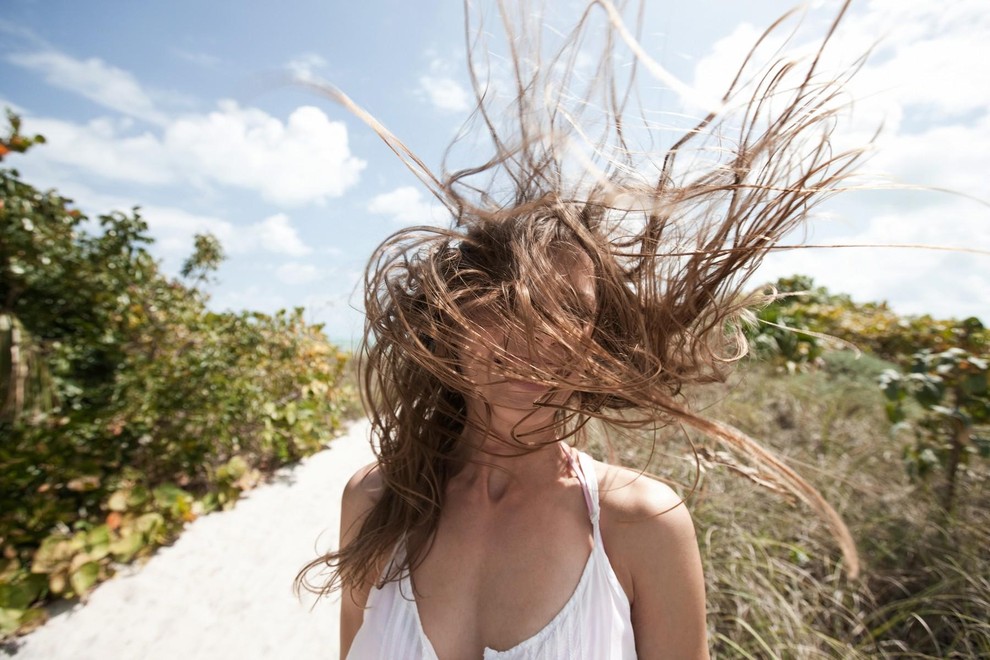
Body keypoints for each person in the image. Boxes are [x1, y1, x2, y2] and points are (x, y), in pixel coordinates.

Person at [296, 1, 862, 658]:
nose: (531, 341)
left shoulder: (641, 525)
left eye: (567, 311)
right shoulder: (375, 500)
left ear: (599, 343)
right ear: (450, 322)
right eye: (501, 305)